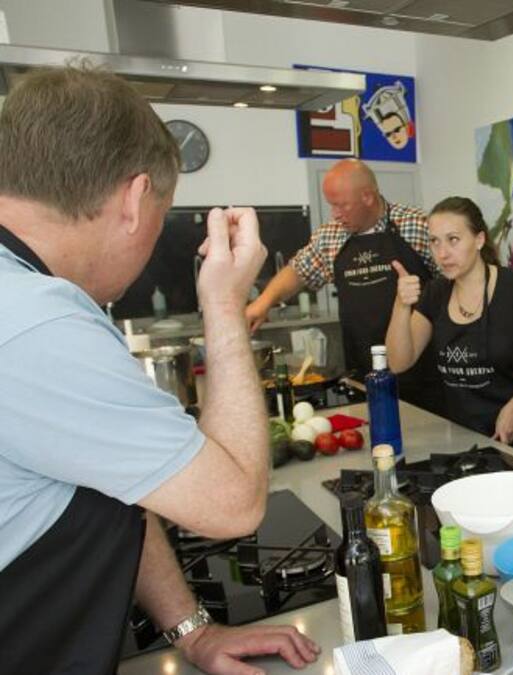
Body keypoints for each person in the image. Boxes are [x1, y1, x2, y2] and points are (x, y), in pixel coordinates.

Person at [0, 65, 317, 673]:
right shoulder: (37, 320)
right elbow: (235, 505)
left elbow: (112, 477)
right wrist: (223, 303)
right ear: (135, 196)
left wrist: (193, 632)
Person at [244, 159, 443, 414]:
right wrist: (262, 304)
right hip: (363, 373)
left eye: (341, 205)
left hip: (424, 370)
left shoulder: (417, 226)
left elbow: (452, 280)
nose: (335, 214)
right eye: (331, 205)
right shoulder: (331, 236)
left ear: (368, 197)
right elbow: (298, 271)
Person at [385, 197, 513, 455]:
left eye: (453, 240)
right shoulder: (435, 294)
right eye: (434, 241)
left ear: (479, 240)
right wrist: (401, 305)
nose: (442, 253)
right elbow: (398, 362)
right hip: (468, 440)